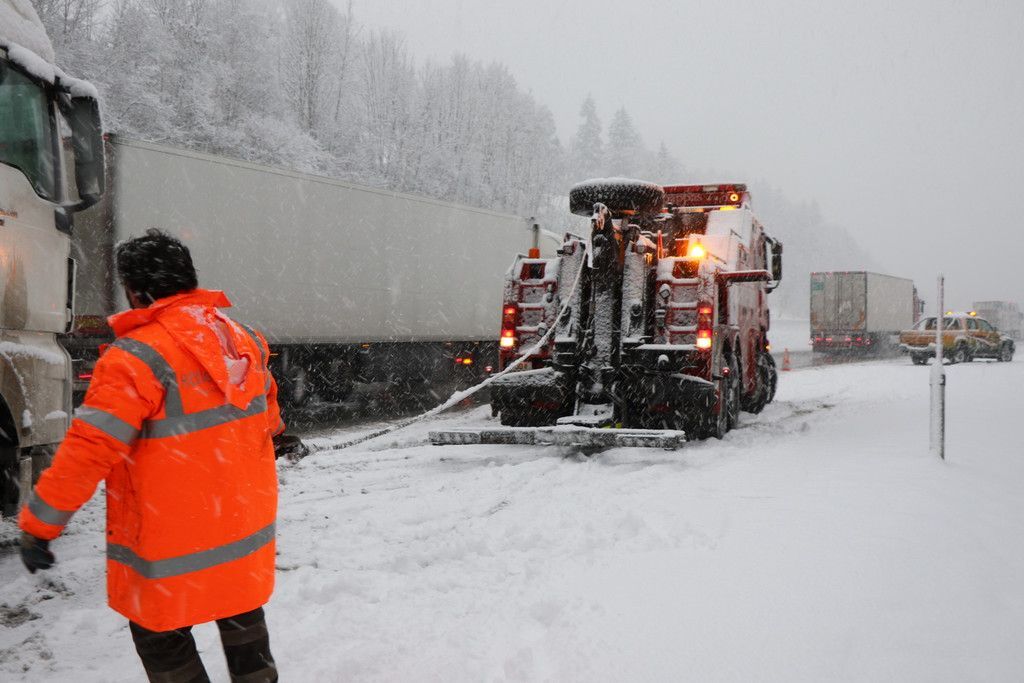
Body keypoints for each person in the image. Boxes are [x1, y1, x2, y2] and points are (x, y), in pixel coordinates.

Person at [18, 229, 302, 683]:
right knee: (242, 617)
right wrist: (279, 435)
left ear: (135, 291)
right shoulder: (243, 339)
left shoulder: (134, 359)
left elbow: (88, 452)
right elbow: (265, 409)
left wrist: (40, 525)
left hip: (168, 549)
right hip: (240, 531)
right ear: (189, 279)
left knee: (162, 639)